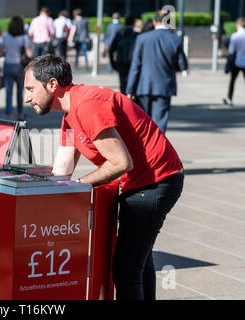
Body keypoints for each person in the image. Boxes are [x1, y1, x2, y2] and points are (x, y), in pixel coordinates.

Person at [23, 54, 184, 300]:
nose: (27, 97)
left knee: (126, 270)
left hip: (155, 181)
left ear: (52, 85)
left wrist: (80, 185)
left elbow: (121, 162)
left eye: (31, 89)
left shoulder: (87, 105)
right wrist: (28, 183)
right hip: (140, 180)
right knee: (140, 260)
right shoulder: (69, 117)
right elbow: (61, 172)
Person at [125, 11, 188, 134]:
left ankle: (145, 150)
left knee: (144, 121)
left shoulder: (142, 38)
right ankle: (158, 150)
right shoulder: (175, 40)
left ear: (154, 22)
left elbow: (135, 66)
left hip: (144, 86)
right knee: (160, 123)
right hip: (164, 86)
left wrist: (130, 89)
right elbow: (183, 65)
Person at [0, 16, 33, 121]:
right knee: (19, 92)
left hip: (8, 65)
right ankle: (19, 114)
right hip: (19, 67)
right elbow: (29, 54)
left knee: (8, 91)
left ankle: (9, 114)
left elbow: (1, 52)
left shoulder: (5, 37)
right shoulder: (24, 38)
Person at [109, 16, 138, 94]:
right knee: (133, 83)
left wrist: (113, 63)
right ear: (134, 24)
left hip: (121, 63)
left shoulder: (120, 34)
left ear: (125, 24)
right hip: (133, 63)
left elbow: (111, 49)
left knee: (122, 84)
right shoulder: (136, 35)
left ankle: (123, 101)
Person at [223, 17, 245, 106]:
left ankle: (229, 99)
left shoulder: (235, 36)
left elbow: (231, 51)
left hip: (237, 62)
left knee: (232, 81)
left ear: (238, 25)